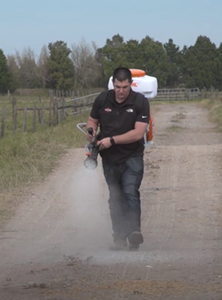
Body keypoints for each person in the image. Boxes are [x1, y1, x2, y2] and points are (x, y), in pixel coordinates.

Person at [85, 67, 151, 251]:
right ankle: (119, 236)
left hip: (132, 156)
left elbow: (138, 133)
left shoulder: (140, 102)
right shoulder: (102, 99)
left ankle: (134, 233)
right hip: (109, 159)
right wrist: (90, 133)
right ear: (112, 84)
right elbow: (92, 120)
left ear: (131, 84)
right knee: (116, 197)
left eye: (125, 87)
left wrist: (112, 140)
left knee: (130, 191)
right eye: (117, 87)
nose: (121, 91)